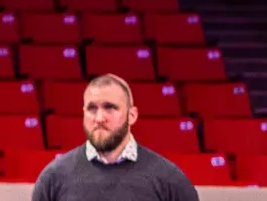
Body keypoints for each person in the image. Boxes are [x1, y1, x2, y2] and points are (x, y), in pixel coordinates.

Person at [31, 75, 198, 200]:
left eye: (109, 108)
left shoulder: (169, 180)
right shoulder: (53, 178)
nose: (99, 118)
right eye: (92, 109)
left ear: (132, 115)